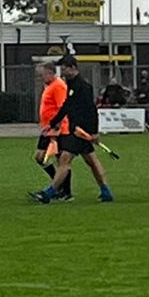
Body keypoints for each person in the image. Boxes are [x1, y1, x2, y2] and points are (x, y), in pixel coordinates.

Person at [33, 56, 114, 203]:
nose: (62, 72)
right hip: (77, 130)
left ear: (72, 68)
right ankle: (105, 190)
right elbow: (67, 106)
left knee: (65, 160)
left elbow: (91, 110)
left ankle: (49, 193)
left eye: (64, 69)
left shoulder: (82, 86)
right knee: (91, 161)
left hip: (80, 131)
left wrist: (94, 132)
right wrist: (52, 123)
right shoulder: (71, 84)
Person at [35, 61, 70, 198]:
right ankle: (58, 185)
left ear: (50, 73)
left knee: (61, 159)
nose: (41, 78)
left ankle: (65, 191)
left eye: (42, 75)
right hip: (47, 129)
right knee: (40, 157)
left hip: (56, 129)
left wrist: (57, 127)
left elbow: (62, 108)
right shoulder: (50, 86)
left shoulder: (59, 86)